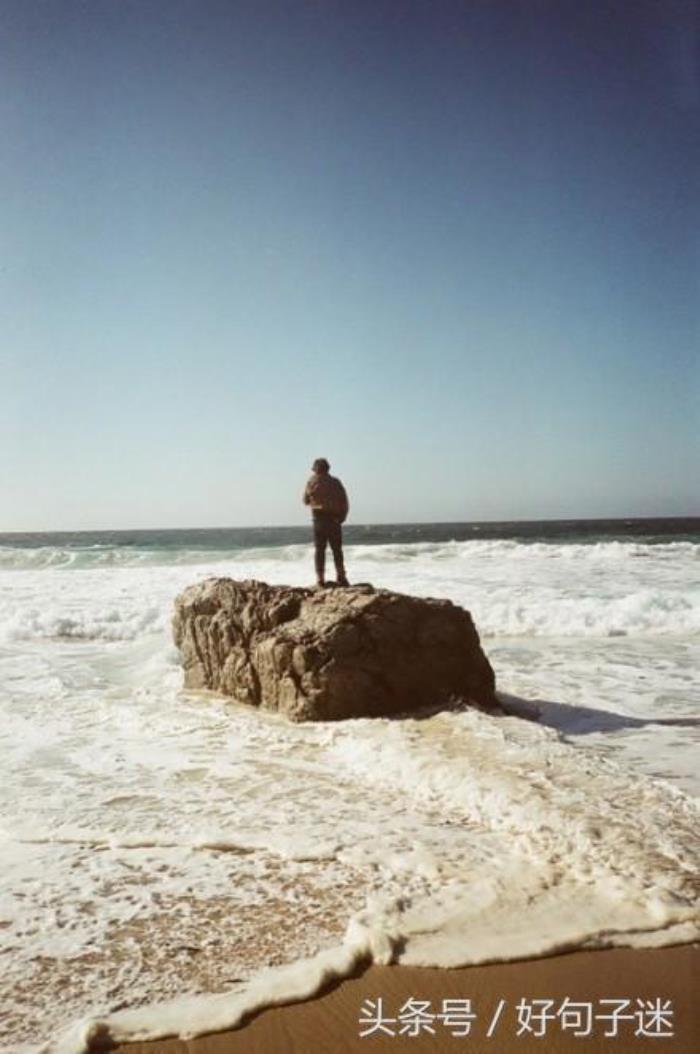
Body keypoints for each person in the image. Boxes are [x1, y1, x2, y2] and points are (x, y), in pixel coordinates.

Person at [302, 458, 349, 587]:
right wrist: (342, 517)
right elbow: (344, 501)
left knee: (320, 550)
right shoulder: (336, 482)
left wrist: (316, 503)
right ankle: (341, 576)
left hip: (318, 519)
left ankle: (320, 578)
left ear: (316, 469)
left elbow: (305, 501)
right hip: (334, 519)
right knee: (337, 550)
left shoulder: (311, 482)